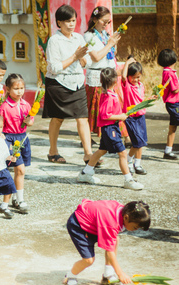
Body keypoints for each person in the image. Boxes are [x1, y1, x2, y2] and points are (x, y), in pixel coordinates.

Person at [64, 199, 150, 285]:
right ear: (126, 217)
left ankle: (107, 275)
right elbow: (109, 252)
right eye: (135, 227)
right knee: (88, 260)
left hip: (95, 225)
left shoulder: (124, 211)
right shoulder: (111, 223)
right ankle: (71, 276)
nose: (135, 230)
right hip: (80, 226)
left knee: (115, 240)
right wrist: (120, 273)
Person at [77, 68, 143, 190]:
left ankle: (85, 173)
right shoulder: (109, 96)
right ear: (114, 81)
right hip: (110, 129)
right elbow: (104, 115)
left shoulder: (108, 94)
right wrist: (121, 116)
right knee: (123, 153)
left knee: (101, 151)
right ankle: (128, 180)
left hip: (110, 128)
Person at [43, 4, 93, 164]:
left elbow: (86, 63)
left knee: (83, 118)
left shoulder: (79, 37)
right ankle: (53, 152)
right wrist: (74, 56)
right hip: (59, 83)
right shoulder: (54, 40)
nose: (71, 24)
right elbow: (54, 67)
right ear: (59, 22)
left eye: (73, 20)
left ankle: (88, 154)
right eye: (67, 21)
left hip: (77, 82)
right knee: (58, 118)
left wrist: (82, 58)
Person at [0, 74, 34, 214]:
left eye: (22, 88)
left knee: (20, 169)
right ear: (7, 89)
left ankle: (15, 197)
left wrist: (28, 122)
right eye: (16, 88)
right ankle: (20, 200)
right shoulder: (4, 107)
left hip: (23, 138)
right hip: (10, 139)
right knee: (20, 169)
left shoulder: (26, 104)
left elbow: (31, 121)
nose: (19, 91)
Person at [84, 6, 121, 138]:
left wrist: (113, 43)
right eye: (104, 21)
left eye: (108, 22)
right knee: (98, 109)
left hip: (109, 75)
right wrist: (109, 44)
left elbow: (111, 53)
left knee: (111, 106)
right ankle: (90, 136)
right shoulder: (89, 36)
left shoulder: (105, 34)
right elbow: (96, 57)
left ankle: (109, 134)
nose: (106, 24)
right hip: (97, 76)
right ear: (95, 19)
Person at [122, 56, 150, 175]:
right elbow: (123, 77)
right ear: (128, 76)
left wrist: (150, 99)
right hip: (131, 118)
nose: (135, 79)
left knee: (141, 142)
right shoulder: (127, 86)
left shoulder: (141, 85)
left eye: (138, 77)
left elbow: (140, 100)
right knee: (137, 142)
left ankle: (137, 164)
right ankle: (128, 160)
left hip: (140, 116)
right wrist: (127, 63)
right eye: (132, 77)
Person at [157, 49, 179, 160]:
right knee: (173, 126)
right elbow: (175, 90)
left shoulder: (165, 71)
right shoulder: (171, 73)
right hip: (175, 104)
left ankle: (168, 151)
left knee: (173, 127)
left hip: (171, 104)